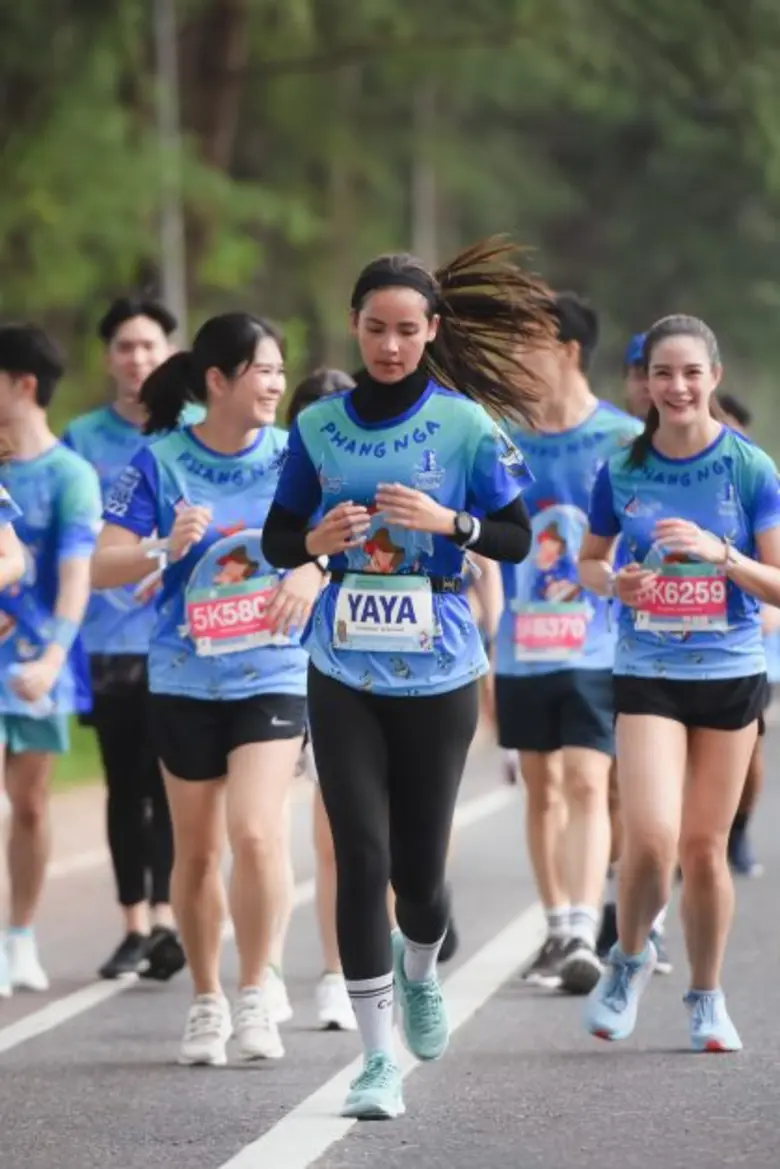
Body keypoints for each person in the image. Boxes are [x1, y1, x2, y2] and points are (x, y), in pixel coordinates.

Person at [262, 238, 550, 1119]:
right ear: (354, 326)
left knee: (420, 876)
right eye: (375, 328)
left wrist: (448, 520)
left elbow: (516, 536)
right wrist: (317, 543)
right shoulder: (317, 427)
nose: (389, 345)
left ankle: (418, 965)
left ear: (431, 332)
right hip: (342, 658)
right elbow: (279, 538)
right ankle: (377, 1059)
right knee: (362, 853)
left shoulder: (466, 427)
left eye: (405, 330)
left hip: (441, 656)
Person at [92, 312, 323, 1066]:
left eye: (282, 371)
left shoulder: (298, 455)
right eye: (264, 370)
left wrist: (309, 570)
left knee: (256, 830)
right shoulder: (158, 462)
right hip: (185, 673)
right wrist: (167, 544)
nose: (278, 385)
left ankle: (256, 990)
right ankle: (206, 998)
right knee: (196, 851)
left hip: (274, 669)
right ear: (218, 381)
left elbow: (344, 541)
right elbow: (104, 563)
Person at [580, 314, 780, 1052]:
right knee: (652, 834)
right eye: (662, 373)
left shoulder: (750, 468)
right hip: (649, 670)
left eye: (691, 372)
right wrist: (618, 583)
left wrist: (720, 554)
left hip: (728, 673)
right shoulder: (622, 469)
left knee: (703, 846)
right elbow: (590, 562)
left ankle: (707, 995)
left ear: (714, 378)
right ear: (645, 384)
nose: (677, 386)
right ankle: (629, 960)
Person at [493, 293, 642, 996]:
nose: (516, 356)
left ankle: (584, 927)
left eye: (527, 342)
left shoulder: (623, 440)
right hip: (521, 643)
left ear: (567, 349)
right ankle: (555, 924)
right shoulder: (502, 441)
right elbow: (484, 551)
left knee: (587, 779)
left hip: (596, 642)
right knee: (541, 788)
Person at [62, 296, 187, 981]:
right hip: (107, 641)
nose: (137, 358)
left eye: (149, 345)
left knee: (170, 784)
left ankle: (169, 916)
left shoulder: (199, 430)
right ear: (108, 358)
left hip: (183, 638)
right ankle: (133, 922)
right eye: (125, 347)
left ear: (170, 352)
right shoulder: (82, 438)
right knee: (121, 785)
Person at [0, 324, 102, 994]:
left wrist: (53, 655)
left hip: (39, 659)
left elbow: (74, 577)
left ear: (22, 384)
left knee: (30, 804)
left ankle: (21, 935)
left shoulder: (70, 474)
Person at [716, 390, 770, 877]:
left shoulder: (755, 475)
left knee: (749, 753)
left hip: (751, 639)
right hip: (669, 642)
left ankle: (738, 828)